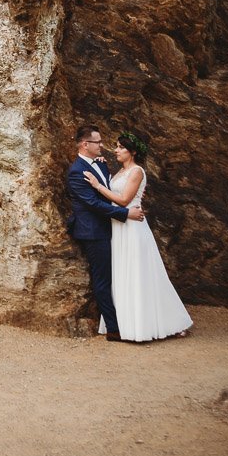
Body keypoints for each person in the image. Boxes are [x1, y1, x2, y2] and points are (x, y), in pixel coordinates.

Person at [83, 130, 193, 342]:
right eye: (116, 146)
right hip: (118, 227)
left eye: (121, 147)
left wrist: (96, 185)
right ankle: (127, 323)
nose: (116, 150)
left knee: (140, 275)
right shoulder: (119, 172)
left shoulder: (137, 172)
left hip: (132, 228)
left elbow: (123, 200)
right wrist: (100, 166)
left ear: (132, 152)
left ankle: (162, 323)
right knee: (123, 274)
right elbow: (112, 189)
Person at [66, 124, 145, 342]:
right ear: (85, 144)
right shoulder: (76, 171)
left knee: (120, 275)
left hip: (113, 230)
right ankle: (113, 328)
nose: (102, 145)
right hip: (94, 231)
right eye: (98, 142)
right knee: (102, 280)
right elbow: (92, 203)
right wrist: (124, 213)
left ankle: (129, 321)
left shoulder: (101, 164)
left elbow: (108, 189)